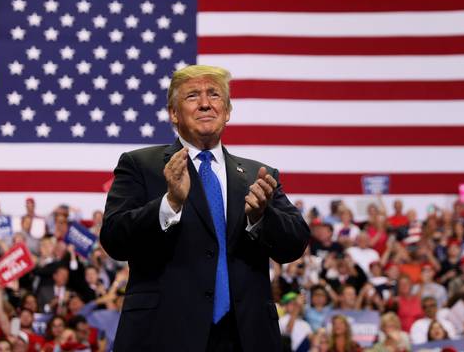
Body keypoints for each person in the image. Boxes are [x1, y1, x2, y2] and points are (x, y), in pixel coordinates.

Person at [99, 65, 310, 351]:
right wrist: (170, 202)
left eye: (214, 95)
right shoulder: (140, 165)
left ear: (227, 110)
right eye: (192, 96)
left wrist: (262, 217)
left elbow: (294, 245)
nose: (206, 103)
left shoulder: (256, 174)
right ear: (174, 113)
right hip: (165, 333)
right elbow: (115, 239)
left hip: (246, 336)